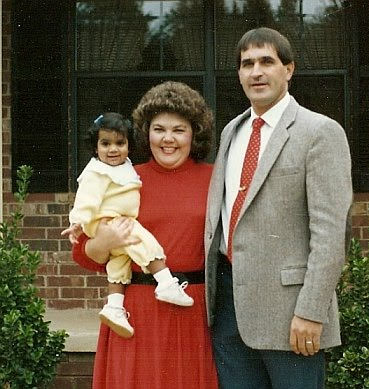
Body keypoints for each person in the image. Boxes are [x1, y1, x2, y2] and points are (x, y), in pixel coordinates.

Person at [204, 27, 353, 388]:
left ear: (289, 69)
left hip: (292, 314)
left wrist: (311, 311)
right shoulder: (231, 132)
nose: (256, 71)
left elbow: (331, 235)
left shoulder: (319, 131)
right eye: (247, 63)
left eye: (267, 61)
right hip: (228, 308)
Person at [71, 82, 218, 388]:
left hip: (193, 310)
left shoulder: (215, 178)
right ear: (145, 132)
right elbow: (84, 255)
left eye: (179, 130)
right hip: (136, 310)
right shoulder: (123, 178)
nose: (168, 139)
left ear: (195, 133)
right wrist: (106, 242)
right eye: (159, 129)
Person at [62, 112, 194, 338]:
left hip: (118, 220)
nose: (113, 149)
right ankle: (165, 281)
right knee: (142, 240)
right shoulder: (97, 171)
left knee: (119, 263)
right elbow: (87, 199)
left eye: (120, 143)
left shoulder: (125, 168)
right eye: (105, 144)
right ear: (95, 147)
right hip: (112, 221)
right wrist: (78, 223)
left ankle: (114, 306)